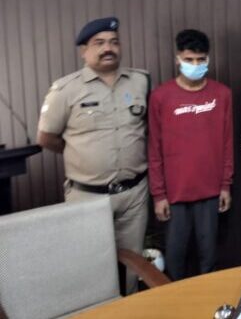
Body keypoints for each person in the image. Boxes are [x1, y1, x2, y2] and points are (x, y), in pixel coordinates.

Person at [37, 17, 149, 293]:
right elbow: (46, 137)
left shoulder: (140, 81)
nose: (107, 48)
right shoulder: (65, 89)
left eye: (113, 42)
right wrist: (82, 156)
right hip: (87, 196)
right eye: (99, 43)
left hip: (134, 194)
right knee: (89, 267)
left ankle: (132, 307)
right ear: (84, 51)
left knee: (134, 265)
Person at [148, 29, 233, 281]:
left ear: (208, 59)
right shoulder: (160, 96)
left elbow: (227, 142)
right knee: (175, 258)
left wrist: (225, 185)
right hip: (174, 194)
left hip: (211, 192)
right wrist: (159, 194)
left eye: (200, 59)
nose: (195, 65)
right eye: (189, 59)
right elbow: (154, 147)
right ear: (178, 59)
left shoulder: (222, 94)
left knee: (209, 257)